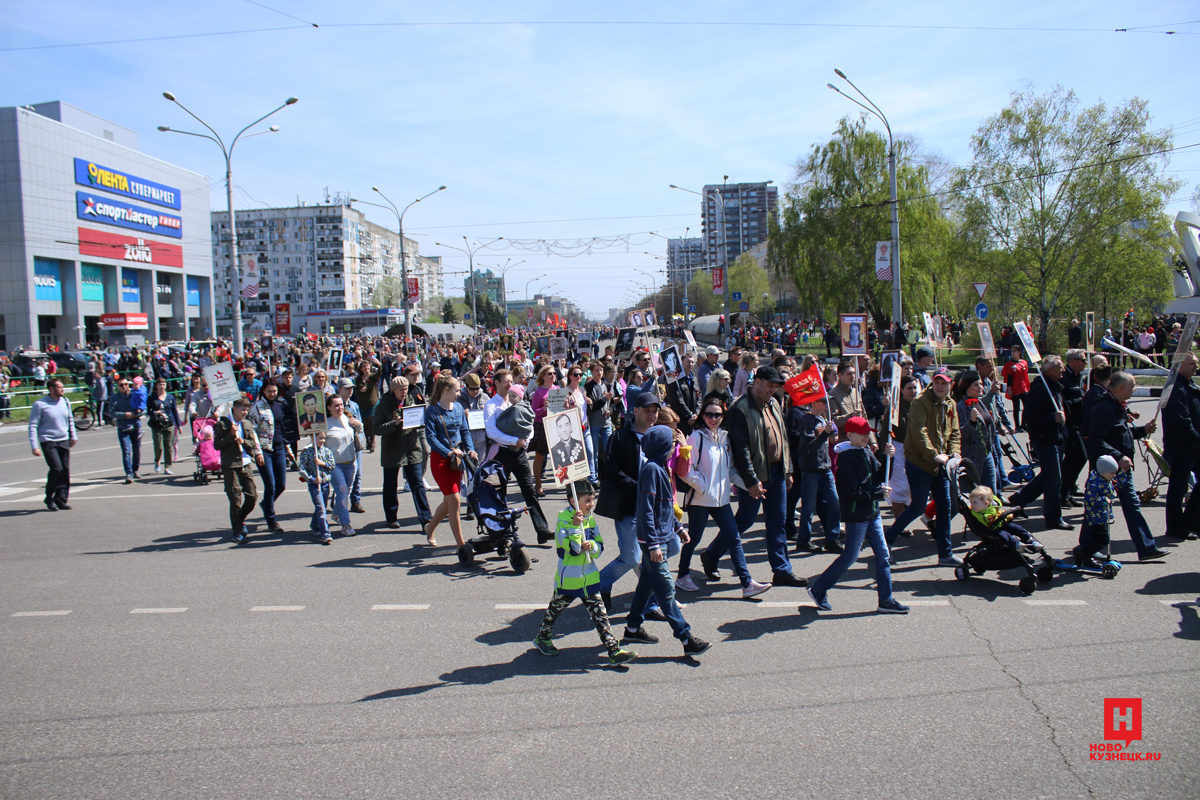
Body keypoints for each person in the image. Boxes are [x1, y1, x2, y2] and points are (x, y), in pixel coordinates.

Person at [620, 425, 713, 656]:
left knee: (647, 585)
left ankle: (632, 628)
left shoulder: (660, 468)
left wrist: (678, 527)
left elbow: (664, 507)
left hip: (660, 537)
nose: (676, 447)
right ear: (663, 447)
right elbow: (647, 510)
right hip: (653, 541)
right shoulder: (652, 470)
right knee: (666, 589)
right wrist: (652, 545)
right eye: (673, 443)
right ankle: (686, 638)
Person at [806, 417, 907, 614]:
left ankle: (886, 600)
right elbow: (852, 492)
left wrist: (889, 458)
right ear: (850, 435)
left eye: (867, 432)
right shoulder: (846, 459)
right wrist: (877, 494)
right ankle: (818, 588)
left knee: (883, 555)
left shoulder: (866, 451)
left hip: (872, 511)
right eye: (862, 433)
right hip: (858, 514)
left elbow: (880, 474)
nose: (866, 436)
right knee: (850, 556)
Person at [532, 481, 637, 665]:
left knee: (600, 615)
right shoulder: (563, 520)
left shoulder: (590, 519)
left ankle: (613, 650)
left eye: (593, 499)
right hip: (569, 580)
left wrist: (593, 547)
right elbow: (570, 549)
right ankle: (542, 637)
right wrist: (575, 527)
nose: (591, 504)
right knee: (554, 611)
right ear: (573, 501)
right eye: (587, 500)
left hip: (589, 578)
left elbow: (600, 545)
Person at [677, 398, 773, 597]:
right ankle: (682, 575)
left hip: (722, 501)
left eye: (717, 414)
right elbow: (686, 471)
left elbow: (730, 471)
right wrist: (704, 487)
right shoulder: (696, 438)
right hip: (701, 500)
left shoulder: (725, 438)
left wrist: (750, 486)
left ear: (723, 416)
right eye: (709, 414)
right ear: (703, 415)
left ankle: (747, 583)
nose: (713, 418)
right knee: (693, 540)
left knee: (734, 539)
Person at [728, 365, 807, 587]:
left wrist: (788, 469)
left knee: (777, 522)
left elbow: (783, 438)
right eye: (770, 386)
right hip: (754, 475)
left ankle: (782, 570)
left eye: (776, 387)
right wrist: (752, 480)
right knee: (745, 520)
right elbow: (740, 448)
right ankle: (712, 555)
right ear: (758, 382)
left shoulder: (774, 403)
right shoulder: (740, 408)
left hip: (777, 472)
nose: (773, 390)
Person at [1085, 370, 1167, 561]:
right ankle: (1086, 548)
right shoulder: (1104, 407)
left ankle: (1147, 548)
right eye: (1132, 386)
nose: (1135, 389)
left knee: (1131, 506)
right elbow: (1096, 440)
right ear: (1122, 388)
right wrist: (1119, 456)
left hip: (1121, 467)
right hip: (1109, 469)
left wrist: (1142, 430)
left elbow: (1120, 434)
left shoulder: (1116, 405)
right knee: (1099, 508)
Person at [885, 366, 962, 566]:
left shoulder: (951, 404)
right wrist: (934, 454)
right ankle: (887, 540)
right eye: (937, 382)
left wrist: (954, 452)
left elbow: (954, 432)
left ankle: (945, 554)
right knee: (918, 506)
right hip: (919, 462)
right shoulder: (920, 402)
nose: (939, 386)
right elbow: (919, 432)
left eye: (944, 383)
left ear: (950, 385)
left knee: (945, 507)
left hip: (941, 464)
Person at [484, 369, 552, 542]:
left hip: (519, 453)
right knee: (500, 494)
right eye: (505, 381)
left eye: (510, 381)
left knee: (530, 491)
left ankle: (542, 530)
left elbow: (529, 424)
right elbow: (491, 432)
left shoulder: (518, 401)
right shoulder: (491, 405)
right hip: (503, 454)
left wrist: (525, 440)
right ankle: (501, 533)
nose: (509, 384)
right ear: (496, 383)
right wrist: (514, 440)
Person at [423, 373, 476, 550]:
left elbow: (465, 431)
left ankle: (430, 528)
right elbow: (431, 438)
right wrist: (448, 452)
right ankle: (461, 545)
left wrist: (470, 449)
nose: (459, 393)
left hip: (457, 460)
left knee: (448, 501)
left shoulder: (459, 408)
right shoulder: (432, 411)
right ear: (446, 391)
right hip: (441, 460)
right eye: (457, 390)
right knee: (454, 500)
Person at [375, 376, 432, 530]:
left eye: (406, 388)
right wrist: (395, 423)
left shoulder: (411, 401)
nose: (404, 391)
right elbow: (376, 428)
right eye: (401, 389)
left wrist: (419, 421)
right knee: (390, 486)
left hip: (412, 449)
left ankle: (426, 519)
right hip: (392, 450)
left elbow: (420, 420)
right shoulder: (384, 405)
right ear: (393, 390)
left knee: (418, 484)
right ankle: (391, 517)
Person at [788, 395, 841, 553]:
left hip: (825, 468)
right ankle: (804, 540)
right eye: (823, 402)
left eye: (827, 402)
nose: (827, 405)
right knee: (809, 507)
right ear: (814, 403)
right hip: (811, 469)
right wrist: (825, 433)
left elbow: (826, 440)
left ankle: (832, 538)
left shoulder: (823, 420)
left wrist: (831, 435)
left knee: (834, 503)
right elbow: (810, 445)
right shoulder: (808, 421)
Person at [213, 397, 263, 544]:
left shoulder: (247, 423)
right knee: (235, 498)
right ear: (234, 408)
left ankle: (240, 519)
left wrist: (243, 441)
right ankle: (237, 530)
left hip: (245, 462)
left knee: (252, 496)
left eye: (247, 409)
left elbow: (253, 443)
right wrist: (230, 434)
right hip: (230, 464)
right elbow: (217, 445)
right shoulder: (223, 424)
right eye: (242, 409)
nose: (245, 412)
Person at [1163, 351, 1200, 540]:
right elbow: (1182, 422)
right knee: (1178, 488)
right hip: (1182, 447)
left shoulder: (1188, 385)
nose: (1196, 365)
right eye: (1192, 363)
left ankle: (1193, 519)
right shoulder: (1176, 388)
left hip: (1193, 446)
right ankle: (1176, 527)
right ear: (1180, 365)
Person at [28, 377, 77, 512]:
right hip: (48, 440)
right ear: (51, 389)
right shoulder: (40, 404)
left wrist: (73, 436)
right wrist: (34, 446)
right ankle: (49, 497)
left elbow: (70, 420)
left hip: (64, 440)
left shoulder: (65, 401)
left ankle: (61, 499)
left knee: (65, 470)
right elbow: (33, 426)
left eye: (62, 387)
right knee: (57, 469)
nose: (62, 389)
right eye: (59, 387)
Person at [248, 377, 289, 532]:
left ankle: (266, 504)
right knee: (270, 485)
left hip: (279, 448)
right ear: (263, 391)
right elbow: (252, 431)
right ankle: (271, 519)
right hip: (265, 450)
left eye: (274, 390)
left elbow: (281, 427)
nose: (272, 393)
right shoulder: (257, 407)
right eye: (269, 391)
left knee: (281, 485)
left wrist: (288, 449)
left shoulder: (279, 404)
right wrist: (257, 451)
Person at [954, 370, 998, 495]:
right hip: (972, 458)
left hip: (987, 454)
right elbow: (960, 435)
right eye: (976, 385)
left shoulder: (980, 403)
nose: (980, 387)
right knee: (975, 495)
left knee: (991, 494)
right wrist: (971, 422)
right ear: (967, 387)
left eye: (981, 384)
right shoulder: (961, 407)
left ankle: (991, 514)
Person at [325, 395, 362, 538]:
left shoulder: (348, 420)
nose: (340, 408)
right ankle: (346, 525)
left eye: (341, 405)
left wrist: (358, 425)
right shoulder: (326, 424)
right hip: (335, 464)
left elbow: (358, 433)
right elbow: (318, 441)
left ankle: (336, 512)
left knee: (345, 493)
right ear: (329, 408)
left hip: (350, 462)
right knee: (342, 491)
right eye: (336, 405)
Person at [1073, 455, 1119, 567]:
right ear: (1103, 472)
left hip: (1102, 515)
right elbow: (1089, 500)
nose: (1114, 475)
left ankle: (1087, 558)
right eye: (1112, 473)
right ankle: (1083, 552)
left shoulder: (1105, 479)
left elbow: (1119, 484)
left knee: (1094, 538)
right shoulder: (1095, 483)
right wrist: (1104, 500)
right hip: (1096, 517)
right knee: (1103, 540)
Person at [335, 378, 368, 514]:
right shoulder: (335, 405)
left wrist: (360, 438)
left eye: (351, 388)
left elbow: (361, 424)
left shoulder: (354, 405)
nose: (349, 390)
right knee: (344, 475)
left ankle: (355, 501)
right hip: (341, 445)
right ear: (339, 389)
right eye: (346, 388)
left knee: (357, 473)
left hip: (354, 443)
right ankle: (339, 499)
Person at [298, 431, 334, 545]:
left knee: (322, 506)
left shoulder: (327, 451)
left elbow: (332, 465)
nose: (322, 441)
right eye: (319, 438)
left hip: (325, 483)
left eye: (323, 438)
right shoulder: (307, 453)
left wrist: (322, 463)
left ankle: (314, 524)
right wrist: (312, 479)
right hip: (315, 485)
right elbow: (302, 470)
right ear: (312, 438)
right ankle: (326, 533)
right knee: (321, 508)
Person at [108, 376, 145, 483]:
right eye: (121, 385)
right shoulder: (114, 398)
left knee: (137, 451)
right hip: (123, 428)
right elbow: (112, 412)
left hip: (135, 427)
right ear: (117, 386)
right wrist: (125, 415)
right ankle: (129, 473)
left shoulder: (134, 393)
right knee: (126, 451)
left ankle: (135, 470)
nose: (124, 387)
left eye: (126, 384)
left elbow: (143, 406)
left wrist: (137, 413)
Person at [147, 379, 182, 475]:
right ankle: (157, 461)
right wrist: (154, 412)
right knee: (158, 446)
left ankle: (167, 467)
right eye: (160, 385)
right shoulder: (152, 398)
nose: (162, 386)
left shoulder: (170, 397)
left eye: (163, 384)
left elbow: (174, 411)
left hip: (169, 423)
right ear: (156, 386)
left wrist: (179, 425)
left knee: (168, 446)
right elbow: (148, 411)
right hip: (157, 424)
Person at [666, 351, 700, 436]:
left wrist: (696, 414)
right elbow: (677, 399)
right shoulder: (674, 378)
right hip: (681, 419)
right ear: (682, 362)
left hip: (694, 419)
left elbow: (699, 397)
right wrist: (689, 415)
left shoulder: (694, 378)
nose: (691, 364)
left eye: (692, 362)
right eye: (688, 361)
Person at [1001, 344, 1031, 431]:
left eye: (1015, 351)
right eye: (1012, 351)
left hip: (1023, 388)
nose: (1013, 353)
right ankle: (1017, 426)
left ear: (1019, 352)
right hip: (1014, 389)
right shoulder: (1010, 364)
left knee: (1026, 406)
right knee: (1016, 407)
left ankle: (1024, 424)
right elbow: (1009, 378)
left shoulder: (1024, 362)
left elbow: (1026, 376)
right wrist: (1009, 389)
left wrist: (1028, 386)